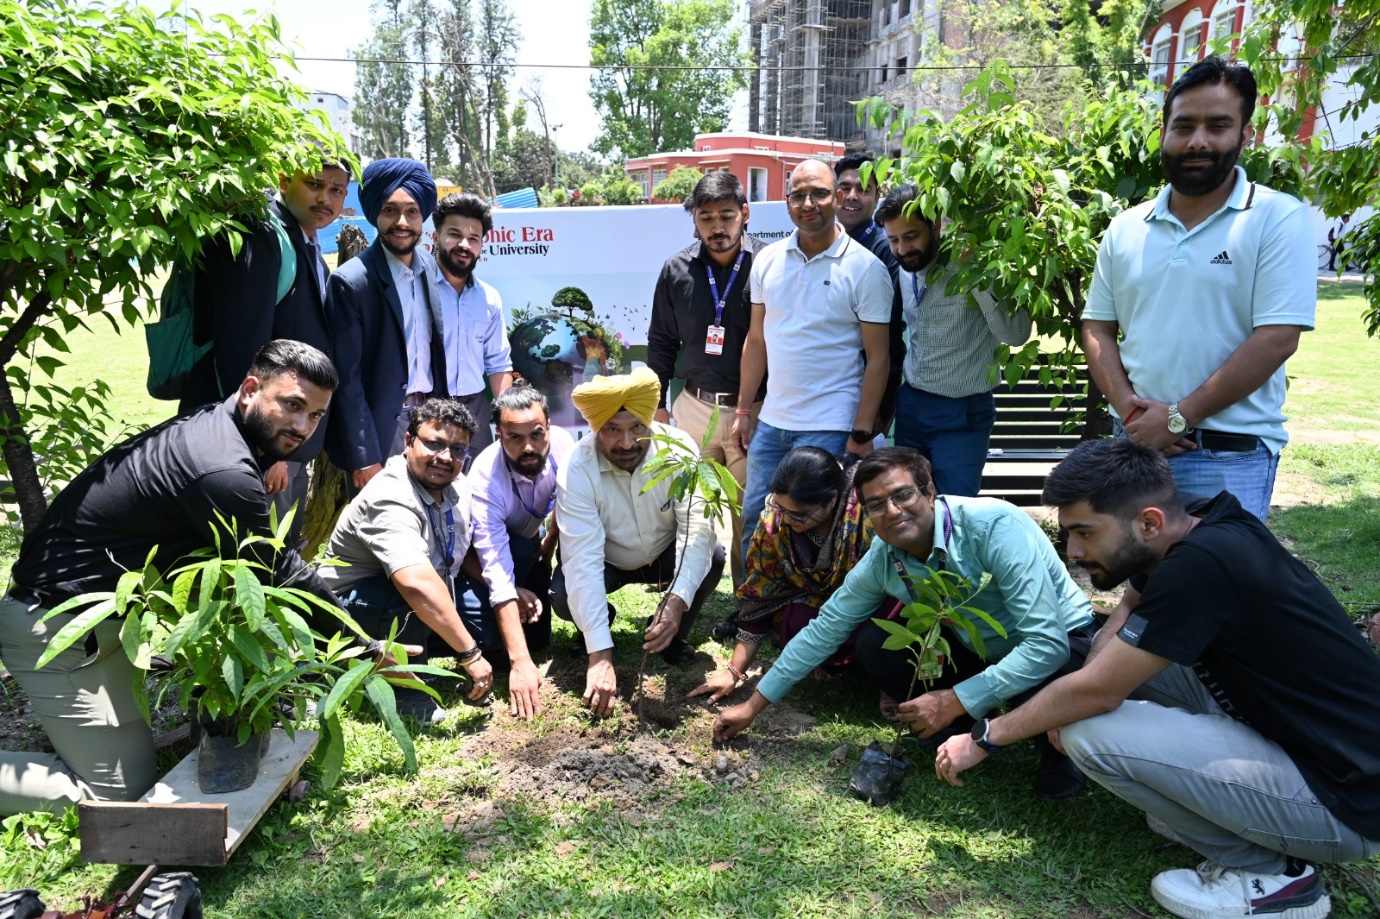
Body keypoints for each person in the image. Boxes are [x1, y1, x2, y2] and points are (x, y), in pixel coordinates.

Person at [935, 438, 1380, 919]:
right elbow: (1130, 605)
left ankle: (1272, 878)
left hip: (1347, 803)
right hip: (1316, 748)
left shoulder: (1199, 568)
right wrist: (1084, 687)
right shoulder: (1203, 522)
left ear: (1149, 521)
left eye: (1085, 532)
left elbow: (1098, 693)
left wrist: (985, 736)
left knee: (1090, 730)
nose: (1074, 550)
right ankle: (1227, 809)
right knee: (1101, 683)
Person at [1, 340, 342, 815]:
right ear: (249, 390)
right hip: (57, 628)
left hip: (109, 622)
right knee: (116, 794)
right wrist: (363, 646)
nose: (303, 427)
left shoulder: (220, 426)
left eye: (316, 416)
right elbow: (277, 568)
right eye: (293, 406)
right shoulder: (220, 467)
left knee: (138, 760)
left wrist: (272, 456)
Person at [714, 447, 1096, 801]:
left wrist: (955, 698)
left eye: (903, 495)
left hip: (1059, 642)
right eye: (877, 505)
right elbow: (824, 629)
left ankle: (1056, 756)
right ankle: (957, 732)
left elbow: (1047, 644)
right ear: (864, 513)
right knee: (877, 644)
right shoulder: (885, 556)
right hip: (976, 645)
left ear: (929, 492)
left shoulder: (995, 526)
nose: (893, 511)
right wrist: (752, 707)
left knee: (1059, 683)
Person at [1082, 56, 1316, 522]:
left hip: (1229, 458)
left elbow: (1277, 338)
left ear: (1245, 135)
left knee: (1220, 590)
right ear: (1164, 130)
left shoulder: (1278, 218)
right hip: (1137, 449)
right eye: (1184, 125)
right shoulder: (1126, 227)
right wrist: (1132, 416)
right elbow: (1097, 327)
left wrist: (1177, 417)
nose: (1198, 141)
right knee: (1144, 590)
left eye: (1218, 125)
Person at [733, 158, 893, 571]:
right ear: (787, 202)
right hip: (773, 423)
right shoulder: (766, 261)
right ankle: (754, 607)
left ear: (837, 197)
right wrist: (743, 410)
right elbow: (756, 341)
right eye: (799, 195)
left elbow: (879, 359)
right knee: (756, 517)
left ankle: (815, 609)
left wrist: (861, 431)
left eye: (819, 193)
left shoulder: (866, 269)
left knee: (823, 524)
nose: (809, 203)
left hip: (831, 423)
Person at [179, 159, 351, 539]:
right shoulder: (261, 234)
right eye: (314, 184)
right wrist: (266, 451)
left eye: (337, 190)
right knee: (251, 557)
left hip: (279, 437)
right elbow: (241, 348)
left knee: (275, 552)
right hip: (250, 445)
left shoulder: (300, 239)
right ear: (284, 179)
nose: (325, 198)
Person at [551, 368, 726, 717]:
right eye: (613, 430)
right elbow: (583, 560)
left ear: (650, 422)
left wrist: (676, 601)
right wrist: (599, 654)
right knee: (563, 595)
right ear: (596, 428)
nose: (627, 443)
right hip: (608, 561)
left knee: (713, 556)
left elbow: (696, 529)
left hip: (663, 553)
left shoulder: (678, 450)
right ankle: (598, 626)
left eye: (636, 428)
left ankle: (671, 634)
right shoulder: (577, 467)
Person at [318, 398, 494, 724]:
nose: (445, 458)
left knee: (486, 616)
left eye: (457, 449)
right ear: (409, 441)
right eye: (434, 444)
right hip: (346, 614)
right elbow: (415, 583)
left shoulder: (458, 486)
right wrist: (469, 653)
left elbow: (462, 554)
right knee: (406, 596)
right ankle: (404, 690)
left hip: (424, 587)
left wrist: (504, 593)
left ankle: (435, 660)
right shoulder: (389, 494)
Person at [647, 171, 766, 605]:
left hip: (751, 412)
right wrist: (658, 405)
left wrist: (752, 409)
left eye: (727, 216)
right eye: (706, 217)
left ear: (745, 214)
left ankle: (748, 606)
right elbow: (661, 341)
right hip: (694, 408)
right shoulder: (676, 270)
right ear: (694, 221)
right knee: (688, 514)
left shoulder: (768, 265)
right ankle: (681, 602)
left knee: (747, 515)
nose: (717, 227)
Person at [875, 185, 1032, 497]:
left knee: (955, 511)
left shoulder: (975, 262)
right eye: (893, 240)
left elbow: (1016, 334)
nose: (903, 249)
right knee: (908, 502)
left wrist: (976, 272)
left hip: (963, 413)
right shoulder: (906, 268)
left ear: (935, 225)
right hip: (912, 405)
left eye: (911, 236)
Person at [689, 447, 879, 702]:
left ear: (832, 500)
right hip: (818, 608)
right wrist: (733, 672)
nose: (785, 520)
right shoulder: (774, 520)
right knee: (797, 621)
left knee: (875, 637)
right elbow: (761, 593)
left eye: (798, 514)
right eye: (781, 508)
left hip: (869, 607)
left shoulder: (866, 518)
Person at [328, 157, 449, 492]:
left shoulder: (430, 267)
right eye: (390, 210)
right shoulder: (351, 282)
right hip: (382, 430)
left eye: (412, 211)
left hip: (430, 421)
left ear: (423, 215)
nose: (402, 221)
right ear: (374, 214)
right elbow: (346, 380)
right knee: (381, 532)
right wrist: (364, 455)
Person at [466, 384, 575, 720]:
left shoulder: (563, 447)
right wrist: (519, 662)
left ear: (549, 429)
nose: (528, 447)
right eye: (514, 438)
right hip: (491, 554)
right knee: (501, 638)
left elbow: (570, 502)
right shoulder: (484, 480)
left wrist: (551, 541)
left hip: (532, 544)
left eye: (536, 434)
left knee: (540, 637)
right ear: (499, 434)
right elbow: (496, 569)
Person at [432, 192, 513, 458]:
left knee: (478, 488)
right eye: (454, 234)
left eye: (473, 239)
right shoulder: (414, 289)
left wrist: (506, 417)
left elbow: (499, 364)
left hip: (475, 407)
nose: (464, 244)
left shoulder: (489, 298)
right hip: (427, 405)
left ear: (481, 246)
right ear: (435, 238)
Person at [834, 152, 907, 432]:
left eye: (864, 190)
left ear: (876, 198)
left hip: (868, 392)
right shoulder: (822, 244)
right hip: (824, 390)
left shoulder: (885, 251)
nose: (852, 196)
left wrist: (875, 407)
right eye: (845, 188)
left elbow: (887, 334)